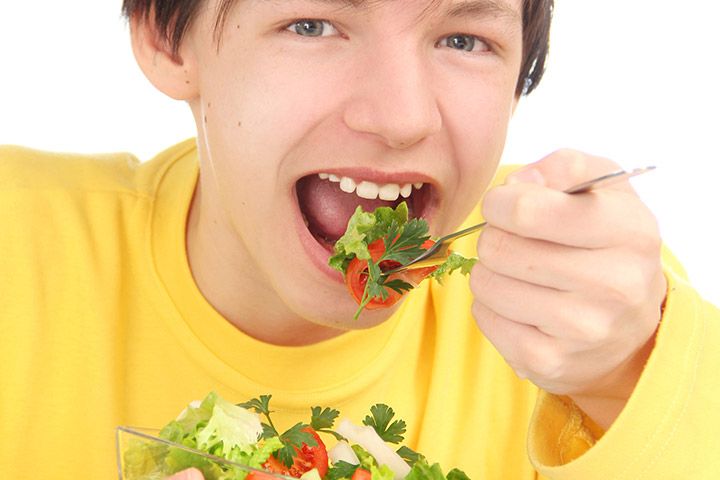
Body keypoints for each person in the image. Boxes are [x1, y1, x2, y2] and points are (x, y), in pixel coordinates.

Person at [0, 0, 717, 479]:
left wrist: (623, 379)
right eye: (313, 24)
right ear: (165, 34)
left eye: (464, 39)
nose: (402, 118)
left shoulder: (592, 304)